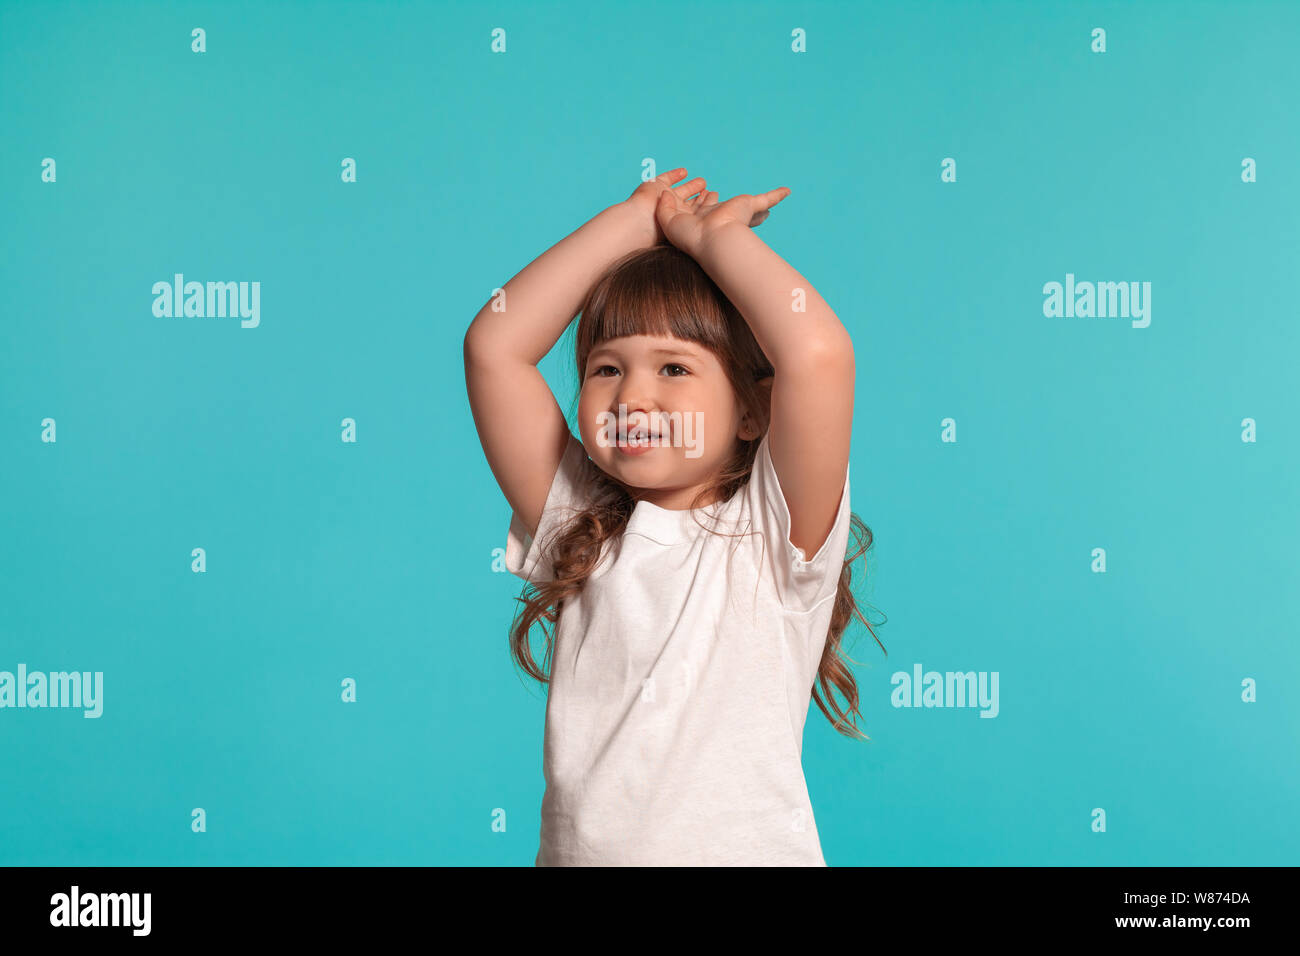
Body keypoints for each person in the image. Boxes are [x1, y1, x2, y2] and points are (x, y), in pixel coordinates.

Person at [464, 167, 884, 866]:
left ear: (754, 410)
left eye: (674, 369)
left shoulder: (772, 541)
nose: (632, 395)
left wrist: (718, 239)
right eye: (606, 368)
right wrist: (632, 222)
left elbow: (818, 354)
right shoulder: (583, 527)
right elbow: (494, 348)